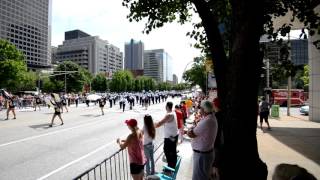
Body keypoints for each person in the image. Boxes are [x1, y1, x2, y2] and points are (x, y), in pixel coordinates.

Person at [186, 100, 218, 180]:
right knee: (203, 176)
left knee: (199, 177)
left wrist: (189, 130)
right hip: (205, 154)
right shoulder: (210, 118)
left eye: (200, 108)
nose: (199, 109)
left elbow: (191, 134)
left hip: (202, 155)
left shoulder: (207, 121)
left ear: (204, 109)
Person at [155, 102, 178, 169]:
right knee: (172, 151)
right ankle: (172, 165)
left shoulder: (169, 114)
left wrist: (152, 125)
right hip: (173, 135)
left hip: (170, 137)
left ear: (167, 106)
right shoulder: (173, 112)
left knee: (167, 150)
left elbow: (159, 124)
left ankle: (171, 166)